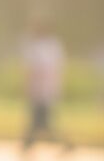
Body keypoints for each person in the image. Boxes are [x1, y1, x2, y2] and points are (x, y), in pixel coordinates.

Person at [20, 15, 73, 153]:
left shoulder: (47, 47)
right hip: (44, 91)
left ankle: (66, 144)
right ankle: (26, 147)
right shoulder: (49, 46)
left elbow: (41, 71)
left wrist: (33, 87)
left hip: (43, 92)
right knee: (37, 124)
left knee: (42, 124)